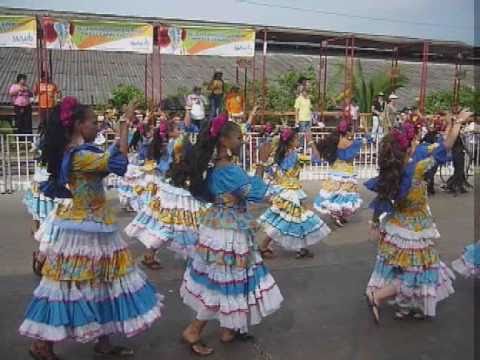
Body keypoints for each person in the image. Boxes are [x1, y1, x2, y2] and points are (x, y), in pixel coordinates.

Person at [19, 97, 163, 359]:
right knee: (70, 284)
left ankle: (103, 341)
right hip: (83, 229)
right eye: (93, 123)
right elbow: (117, 163)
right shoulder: (80, 155)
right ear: (77, 125)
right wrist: (123, 124)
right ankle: (43, 344)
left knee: (102, 282)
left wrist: (125, 126)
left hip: (96, 225)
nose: (97, 127)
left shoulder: (81, 151)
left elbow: (113, 159)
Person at [180, 115, 283, 356]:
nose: (242, 141)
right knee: (224, 281)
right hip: (227, 231)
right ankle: (193, 330)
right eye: (238, 137)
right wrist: (262, 162)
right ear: (224, 141)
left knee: (232, 278)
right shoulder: (228, 169)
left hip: (222, 225)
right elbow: (257, 192)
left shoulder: (218, 167)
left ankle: (228, 328)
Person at [364, 110, 472, 323]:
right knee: (418, 272)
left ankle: (406, 307)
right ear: (408, 147)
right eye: (413, 139)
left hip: (397, 226)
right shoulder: (417, 169)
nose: (416, 141)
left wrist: (375, 222)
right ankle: (377, 296)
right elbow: (445, 147)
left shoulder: (393, 171)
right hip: (414, 231)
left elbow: (381, 201)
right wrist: (458, 122)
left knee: (404, 269)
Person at [125, 122, 204, 270]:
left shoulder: (174, 147)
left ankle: (152, 254)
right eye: (178, 129)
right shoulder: (178, 146)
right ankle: (194, 262)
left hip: (172, 190)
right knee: (184, 227)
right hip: (179, 195)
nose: (181, 131)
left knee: (171, 227)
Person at [258, 127, 331, 259]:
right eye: (297, 138)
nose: (299, 140)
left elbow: (269, 170)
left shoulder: (278, 154)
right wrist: (310, 142)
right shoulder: (294, 156)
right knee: (286, 221)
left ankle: (301, 248)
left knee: (296, 219)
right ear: (290, 141)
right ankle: (263, 246)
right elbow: (317, 158)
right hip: (290, 194)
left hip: (284, 191)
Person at [312, 119, 365, 227]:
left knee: (334, 193)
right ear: (348, 131)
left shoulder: (334, 140)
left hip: (335, 170)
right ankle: (337, 215)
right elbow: (362, 143)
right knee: (345, 194)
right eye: (352, 130)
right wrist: (365, 137)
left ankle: (338, 215)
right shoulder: (350, 142)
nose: (354, 132)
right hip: (346, 172)